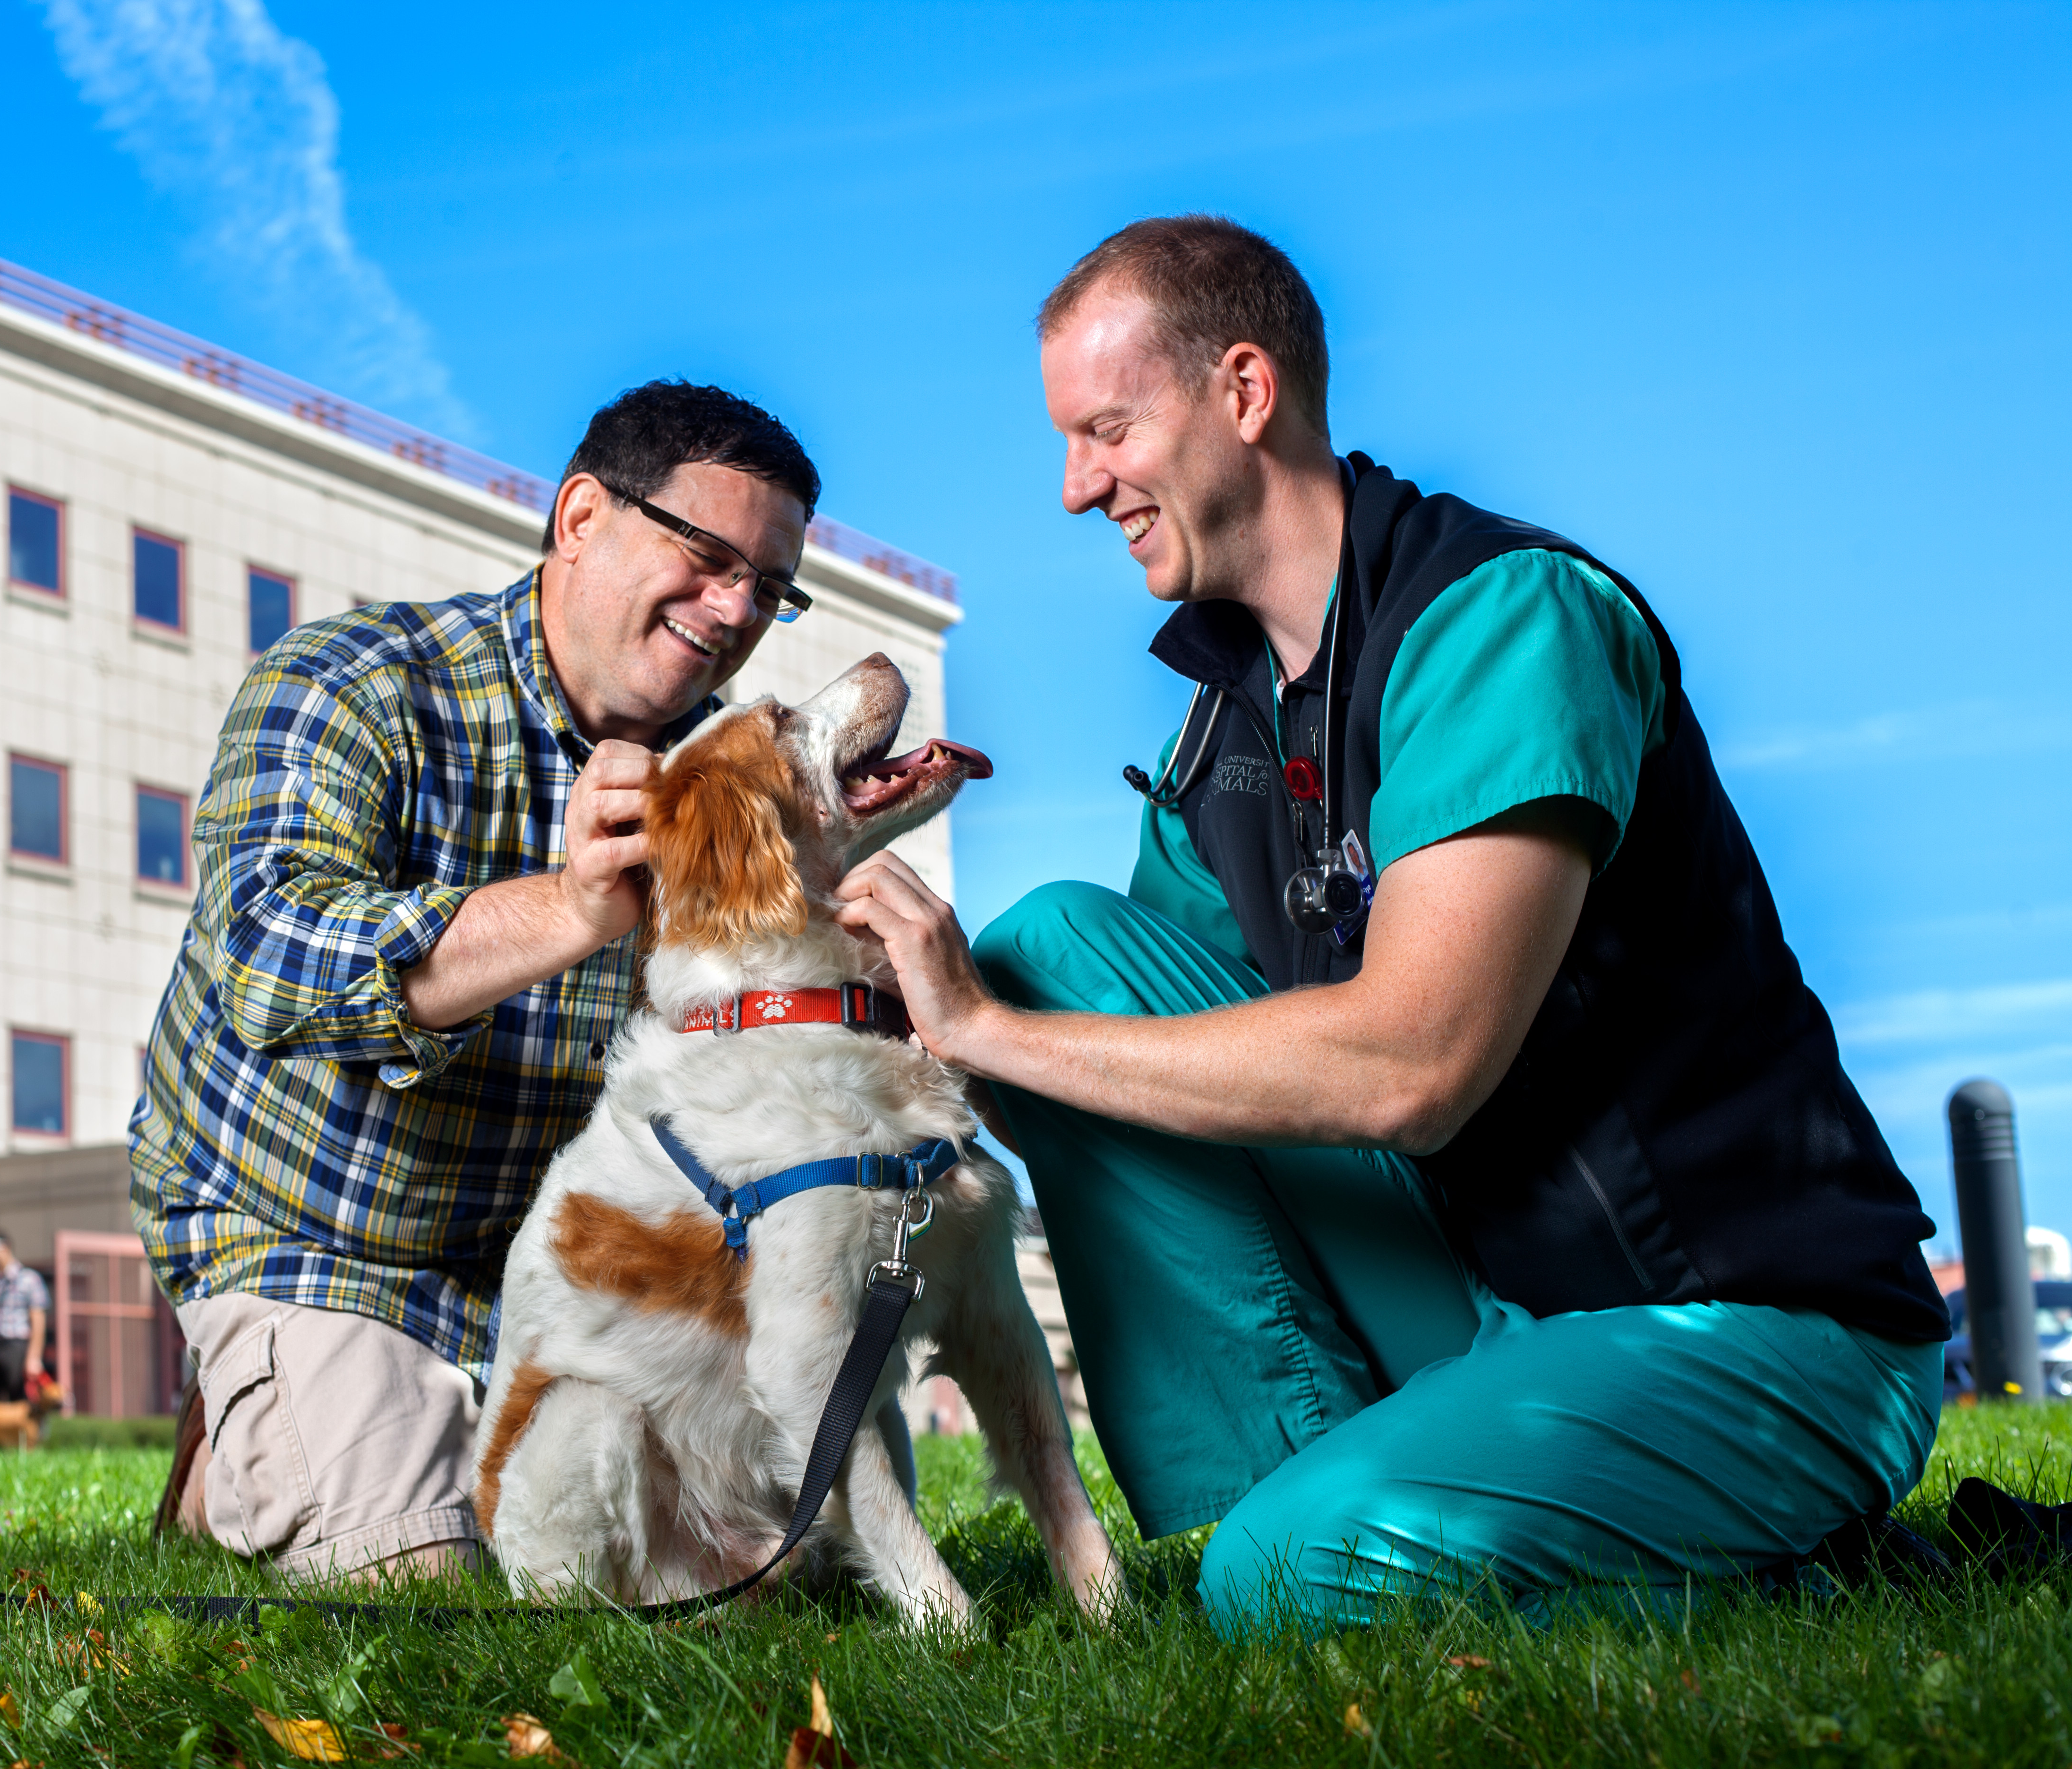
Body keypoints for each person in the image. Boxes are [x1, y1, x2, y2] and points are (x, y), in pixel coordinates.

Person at [834, 216, 1948, 1631]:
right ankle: (1266, 1514)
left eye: (1106, 429)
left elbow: (1413, 1069)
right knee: (1055, 946)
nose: (1074, 488)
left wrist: (983, 1028)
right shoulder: (1228, 722)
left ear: (1245, 393)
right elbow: (1147, 1046)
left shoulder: (1505, 620)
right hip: (1487, 1298)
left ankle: (1781, 1568)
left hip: (1731, 1322)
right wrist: (847, 979)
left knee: (1297, 1572)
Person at [132, 380, 824, 1582]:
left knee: (746, 1574)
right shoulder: (352, 680)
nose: (736, 609)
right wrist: (565, 909)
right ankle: (241, 1442)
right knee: (417, 1575)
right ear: (577, 517)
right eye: (709, 557)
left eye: (769, 585)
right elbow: (267, 955)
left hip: (566, 1269)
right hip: (316, 1236)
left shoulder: (723, 776)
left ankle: (337, 1424)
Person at [0, 1230, 53, 1403]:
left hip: (15, 1348)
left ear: (6, 1247)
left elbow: (38, 1322)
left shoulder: (28, 1279)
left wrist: (34, 1357)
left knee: (18, 1401)